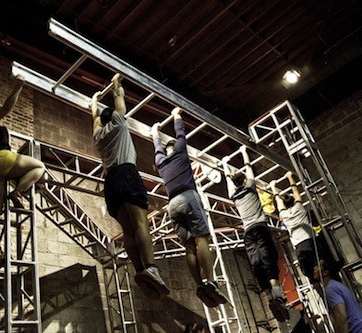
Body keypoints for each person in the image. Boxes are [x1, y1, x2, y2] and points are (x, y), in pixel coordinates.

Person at [91, 73, 169, 300]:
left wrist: (95, 101)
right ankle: (151, 268)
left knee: (128, 230)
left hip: (110, 182)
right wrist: (116, 82)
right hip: (126, 173)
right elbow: (119, 97)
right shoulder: (119, 122)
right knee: (140, 223)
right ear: (114, 117)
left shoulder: (98, 135)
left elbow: (94, 117)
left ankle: (140, 271)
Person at [150, 107, 227, 307]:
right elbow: (181, 133)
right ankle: (211, 281)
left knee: (189, 246)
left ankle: (199, 284)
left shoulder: (161, 162)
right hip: (187, 197)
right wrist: (176, 114)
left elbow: (157, 146)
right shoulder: (181, 153)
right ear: (175, 148)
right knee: (201, 238)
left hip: (172, 206)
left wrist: (154, 132)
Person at [0, 74, 46, 266]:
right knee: (40, 166)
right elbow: (6, 109)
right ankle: (18, 192)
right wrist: (17, 87)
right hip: (0, 158)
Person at [222, 147, 289, 322]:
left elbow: (229, 177)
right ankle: (278, 297)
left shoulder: (233, 194)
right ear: (244, 180)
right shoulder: (251, 187)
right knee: (269, 258)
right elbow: (248, 166)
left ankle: (269, 298)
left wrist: (224, 164)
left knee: (256, 264)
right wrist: (243, 151)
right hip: (260, 228)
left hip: (248, 233)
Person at [270, 171, 317, 281]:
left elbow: (278, 200)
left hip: (299, 247)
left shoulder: (284, 214)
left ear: (285, 206)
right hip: (311, 241)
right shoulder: (299, 207)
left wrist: (273, 187)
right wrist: (289, 177)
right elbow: (295, 190)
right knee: (322, 266)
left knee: (310, 276)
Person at [313, 259, 362, 333]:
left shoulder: (330, 289)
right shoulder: (335, 285)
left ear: (325, 272)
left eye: (318, 266)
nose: (314, 268)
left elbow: (342, 317)